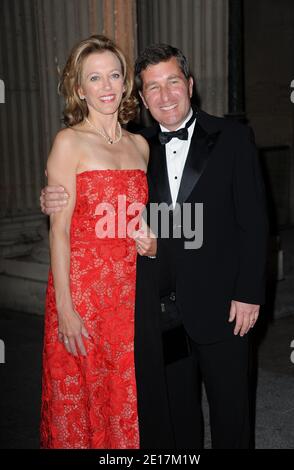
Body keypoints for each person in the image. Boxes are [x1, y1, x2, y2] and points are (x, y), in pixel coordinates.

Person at [41, 43, 268, 449]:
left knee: (231, 414)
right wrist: (54, 199)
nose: (165, 96)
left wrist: (249, 292)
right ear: (142, 97)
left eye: (173, 83)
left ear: (190, 85)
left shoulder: (231, 137)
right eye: (153, 88)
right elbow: (103, 209)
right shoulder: (141, 144)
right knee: (172, 421)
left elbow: (254, 222)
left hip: (223, 305)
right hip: (155, 308)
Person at [40, 34, 159, 449]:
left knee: (126, 395)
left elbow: (150, 218)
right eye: (95, 78)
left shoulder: (141, 146)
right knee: (82, 398)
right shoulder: (68, 142)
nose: (106, 86)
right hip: (84, 295)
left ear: (126, 82)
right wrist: (65, 310)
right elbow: (59, 231)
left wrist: (154, 241)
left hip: (130, 295)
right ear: (79, 88)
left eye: (114, 75)